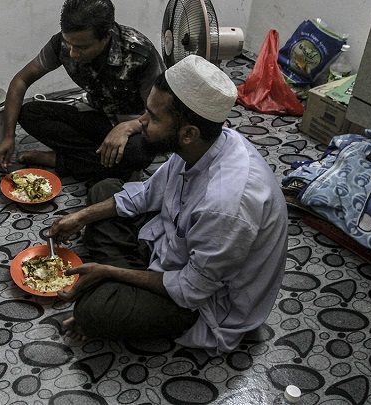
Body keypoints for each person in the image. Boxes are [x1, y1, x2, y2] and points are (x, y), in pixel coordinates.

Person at [47, 55, 288, 356]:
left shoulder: (226, 203)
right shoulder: (203, 144)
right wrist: (81, 217)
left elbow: (190, 290)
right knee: (103, 189)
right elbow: (148, 194)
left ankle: (111, 277)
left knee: (93, 312)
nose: (141, 123)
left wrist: (110, 272)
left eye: (153, 117)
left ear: (188, 133)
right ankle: (114, 275)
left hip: (202, 305)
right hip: (167, 249)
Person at [0, 0, 165, 181]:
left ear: (107, 36)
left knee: (137, 155)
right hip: (96, 116)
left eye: (82, 47)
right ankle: (97, 162)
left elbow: (161, 114)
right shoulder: (62, 43)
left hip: (136, 124)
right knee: (29, 113)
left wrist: (127, 127)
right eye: (69, 44)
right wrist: (8, 135)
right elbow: (21, 80)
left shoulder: (139, 54)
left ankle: (62, 161)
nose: (73, 53)